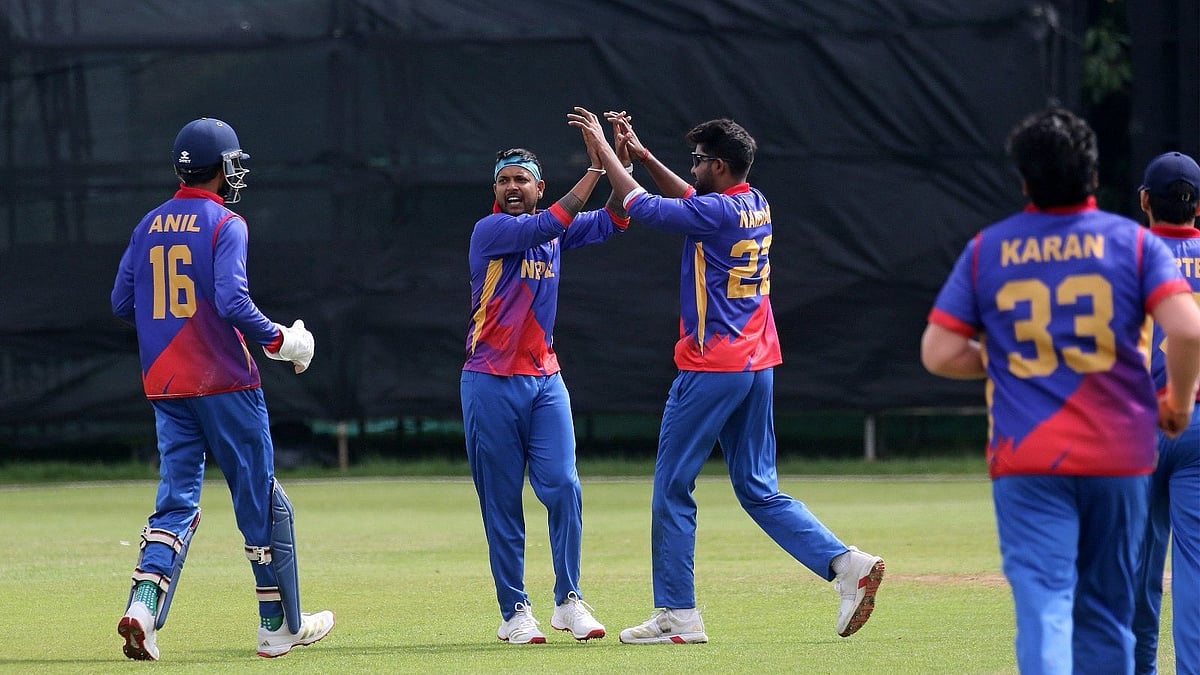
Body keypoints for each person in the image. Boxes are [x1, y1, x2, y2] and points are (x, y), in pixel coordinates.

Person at [568, 107, 886, 644]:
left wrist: (604, 152)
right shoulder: (753, 201)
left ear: (717, 164)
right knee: (758, 487)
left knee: (672, 487)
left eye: (696, 160)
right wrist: (642, 156)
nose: (690, 167)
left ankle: (678, 614)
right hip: (757, 363)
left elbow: (641, 206)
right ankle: (845, 564)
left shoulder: (715, 214)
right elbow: (690, 202)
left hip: (712, 366)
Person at [920, 108, 1200, 674]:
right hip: (1120, 451)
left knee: (1047, 604)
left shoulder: (989, 249)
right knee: (1109, 610)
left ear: (1024, 180)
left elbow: (940, 353)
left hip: (1030, 452)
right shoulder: (1132, 246)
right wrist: (1178, 403)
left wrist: (1013, 361)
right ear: (1094, 177)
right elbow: (1188, 330)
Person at [111, 117, 335, 660]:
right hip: (226, 382)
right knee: (261, 500)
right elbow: (233, 303)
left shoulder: (148, 224)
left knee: (176, 503)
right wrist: (281, 339)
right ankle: (277, 626)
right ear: (224, 168)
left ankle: (143, 606)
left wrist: (170, 326)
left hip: (166, 385)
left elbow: (122, 303)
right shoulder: (225, 223)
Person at [460, 118, 630, 644]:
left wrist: (618, 163)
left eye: (522, 179)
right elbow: (550, 224)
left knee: (564, 489)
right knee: (503, 501)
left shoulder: (554, 227)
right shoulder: (491, 231)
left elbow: (618, 215)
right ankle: (514, 611)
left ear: (539, 187)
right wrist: (596, 166)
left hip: (545, 380)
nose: (512, 187)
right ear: (495, 190)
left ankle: (569, 600)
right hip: (489, 381)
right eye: (504, 180)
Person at [1133, 151, 1200, 675]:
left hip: (1137, 426)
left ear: (1145, 201)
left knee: (1137, 564)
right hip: (1198, 423)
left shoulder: (1125, 255)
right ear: (1197, 206)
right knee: (1195, 567)